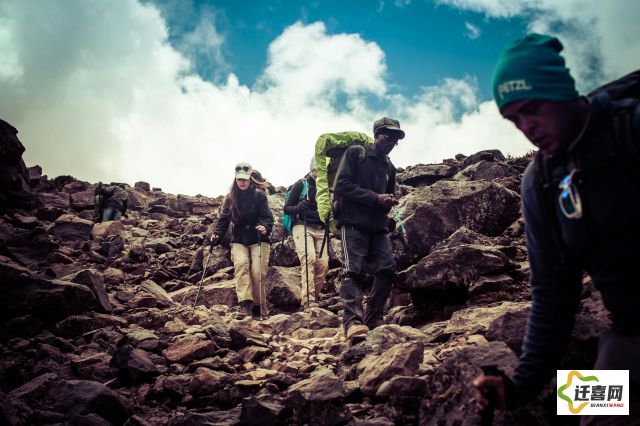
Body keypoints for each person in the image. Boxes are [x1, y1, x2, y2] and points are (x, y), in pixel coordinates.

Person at [473, 34, 640, 423]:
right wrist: (515, 388)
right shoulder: (540, 181)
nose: (526, 127)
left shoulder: (630, 127)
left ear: (561, 92)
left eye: (533, 109)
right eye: (514, 119)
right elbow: (552, 295)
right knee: (578, 405)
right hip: (629, 335)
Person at [333, 117, 404, 340]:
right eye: (387, 136)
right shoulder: (356, 153)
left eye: (395, 139)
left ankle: (373, 317)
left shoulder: (389, 167)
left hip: (377, 226)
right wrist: (375, 198)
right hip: (352, 222)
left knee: (387, 268)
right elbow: (342, 185)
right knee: (352, 270)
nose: (391, 142)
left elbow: (386, 197)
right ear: (376, 135)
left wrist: (388, 202)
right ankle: (352, 322)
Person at [211, 162, 274, 318]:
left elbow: (267, 217)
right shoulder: (230, 198)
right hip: (239, 239)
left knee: (257, 271)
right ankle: (244, 303)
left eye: (245, 179)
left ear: (250, 179)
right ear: (235, 179)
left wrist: (264, 227)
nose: (242, 182)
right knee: (241, 265)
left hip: (258, 238)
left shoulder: (259, 195)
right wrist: (217, 235)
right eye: (239, 179)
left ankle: (258, 306)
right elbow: (223, 220)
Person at [283, 156, 329, 309]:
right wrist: (299, 208)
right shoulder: (300, 184)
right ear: (313, 168)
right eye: (318, 170)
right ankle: (308, 300)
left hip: (321, 228)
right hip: (302, 226)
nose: (320, 173)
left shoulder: (327, 187)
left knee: (323, 265)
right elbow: (287, 208)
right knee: (309, 258)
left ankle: (313, 298)